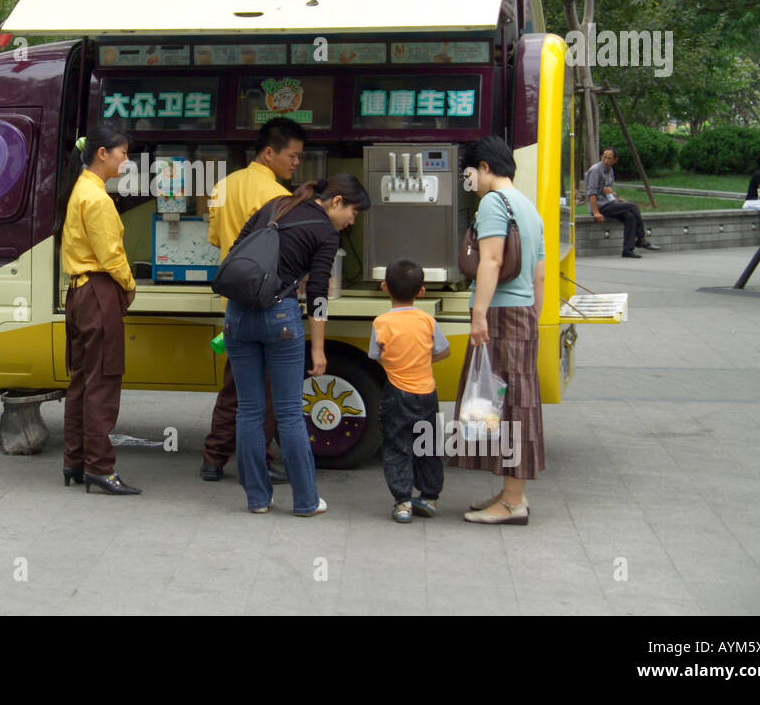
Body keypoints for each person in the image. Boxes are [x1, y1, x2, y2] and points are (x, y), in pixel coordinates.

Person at [224, 173, 370, 516]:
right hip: (280, 318)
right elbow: (318, 296)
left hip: (237, 316)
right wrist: (318, 349)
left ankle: (258, 499)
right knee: (289, 412)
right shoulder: (325, 233)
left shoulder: (274, 206)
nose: (351, 220)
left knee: (248, 410)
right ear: (336, 202)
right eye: (353, 212)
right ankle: (305, 501)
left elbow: (235, 254)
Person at [201, 117, 306, 484]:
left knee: (237, 384)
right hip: (269, 297)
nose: (296, 163)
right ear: (268, 153)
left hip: (235, 296)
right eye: (292, 156)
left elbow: (216, 240)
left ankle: (214, 458)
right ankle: (258, 459)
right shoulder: (278, 198)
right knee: (268, 387)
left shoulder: (223, 186)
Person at [452, 136, 546, 525]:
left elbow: (490, 261)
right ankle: (509, 492)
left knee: (505, 407)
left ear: (486, 167)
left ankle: (512, 502)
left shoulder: (493, 203)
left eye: (470, 173)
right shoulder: (528, 207)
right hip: (521, 314)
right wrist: (533, 317)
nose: (469, 181)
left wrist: (479, 314)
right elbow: (538, 274)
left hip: (502, 317)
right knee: (510, 403)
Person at [60, 124, 141, 495]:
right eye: (122, 152)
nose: (126, 158)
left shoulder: (82, 189)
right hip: (98, 291)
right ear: (102, 154)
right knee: (102, 383)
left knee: (80, 381)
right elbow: (111, 254)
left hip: (78, 293)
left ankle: (75, 462)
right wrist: (128, 284)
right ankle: (100, 468)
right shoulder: (98, 198)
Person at [370, 259, 451, 523]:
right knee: (426, 445)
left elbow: (376, 355)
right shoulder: (427, 320)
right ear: (422, 291)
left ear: (384, 287)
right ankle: (429, 498)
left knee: (397, 446)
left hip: (396, 392)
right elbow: (443, 350)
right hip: (426, 392)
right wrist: (424, 360)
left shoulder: (381, 323)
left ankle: (403, 502)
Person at [585, 147, 658, 258]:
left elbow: (606, 191)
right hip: (600, 206)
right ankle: (641, 239)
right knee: (633, 207)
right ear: (601, 157)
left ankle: (628, 250)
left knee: (630, 217)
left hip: (608, 203)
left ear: (615, 160)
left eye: (609, 158)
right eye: (604, 157)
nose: (606, 161)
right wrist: (595, 212)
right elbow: (591, 192)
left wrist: (611, 196)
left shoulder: (610, 171)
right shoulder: (596, 170)